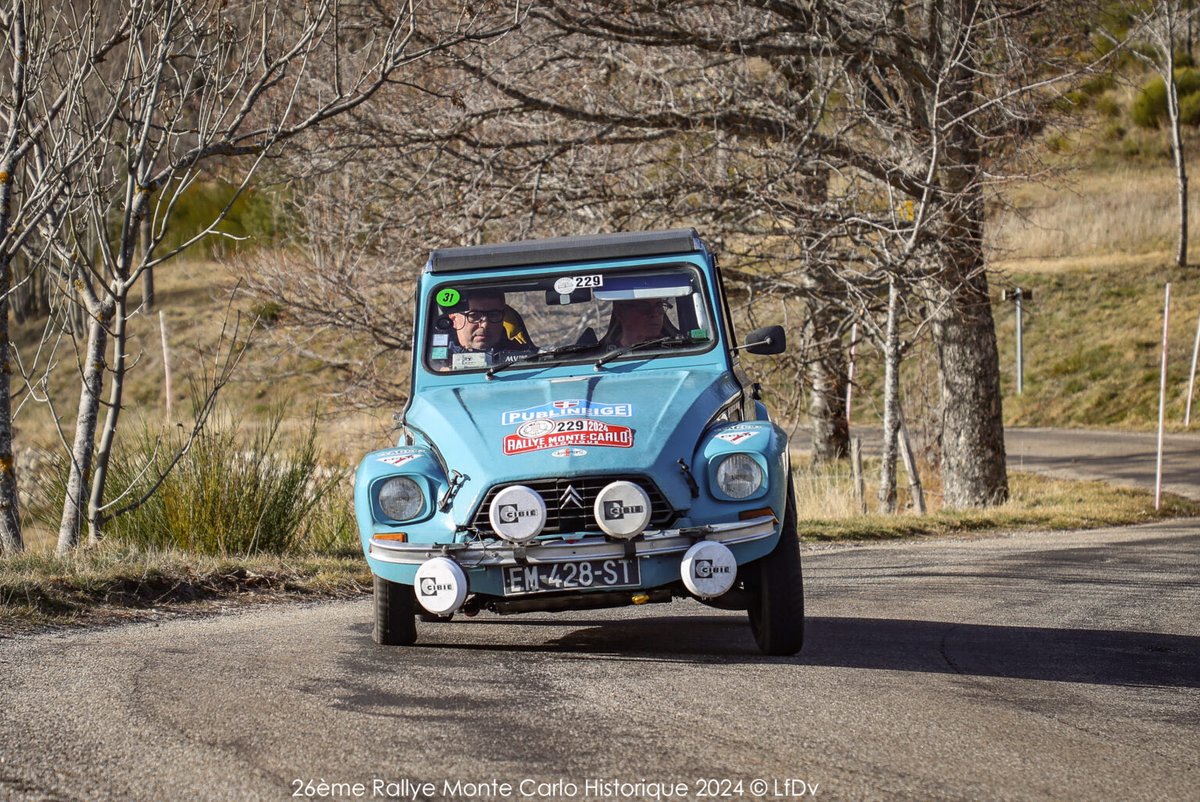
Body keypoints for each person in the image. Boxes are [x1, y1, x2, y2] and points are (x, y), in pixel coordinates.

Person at [446, 290, 535, 360]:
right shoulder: (435, 364)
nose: (485, 325)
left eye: (494, 315)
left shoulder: (523, 358)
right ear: (454, 319)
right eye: (474, 316)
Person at [600, 298, 675, 347]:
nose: (654, 314)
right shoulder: (601, 355)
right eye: (644, 307)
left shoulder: (677, 348)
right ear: (621, 313)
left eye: (659, 306)